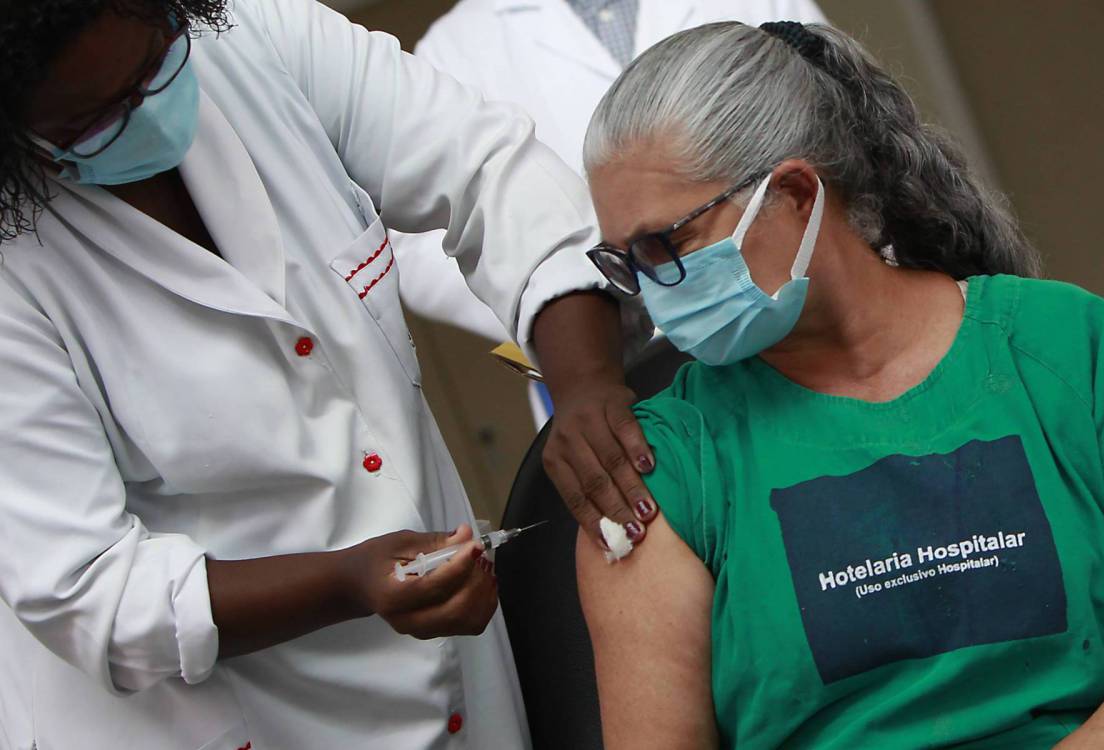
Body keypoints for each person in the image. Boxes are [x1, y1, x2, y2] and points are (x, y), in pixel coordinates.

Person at [0, 0, 659, 747]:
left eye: (158, 60)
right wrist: (347, 582)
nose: (148, 110)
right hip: (237, 716)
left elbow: (487, 168)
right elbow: (90, 591)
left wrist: (584, 384)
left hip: (461, 685)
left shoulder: (256, 39)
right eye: (95, 122)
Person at [575, 20, 1104, 749]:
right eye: (627, 261)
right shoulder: (663, 467)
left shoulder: (1060, 346)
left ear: (797, 196)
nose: (652, 290)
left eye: (668, 245)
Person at [394, 0, 827, 427]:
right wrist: (585, 299)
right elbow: (419, 249)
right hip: (618, 365)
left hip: (788, 305)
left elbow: (836, 117)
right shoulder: (457, 46)